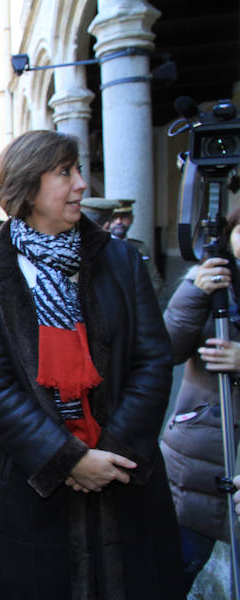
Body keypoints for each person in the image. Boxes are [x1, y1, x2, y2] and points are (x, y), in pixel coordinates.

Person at [0, 130, 183, 599]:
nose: (82, 183)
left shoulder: (121, 260)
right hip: (33, 484)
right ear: (26, 187)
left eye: (78, 170)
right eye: (65, 172)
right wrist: (68, 461)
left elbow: (153, 360)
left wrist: (109, 455)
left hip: (125, 471)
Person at [160, 204, 240, 594]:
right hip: (199, 455)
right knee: (175, 569)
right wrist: (193, 292)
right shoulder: (211, 283)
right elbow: (167, 350)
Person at [110, 199, 164, 297]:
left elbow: (155, 280)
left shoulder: (140, 247)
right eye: (114, 218)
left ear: (131, 219)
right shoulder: (101, 246)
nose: (119, 221)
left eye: (123, 217)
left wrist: (141, 302)